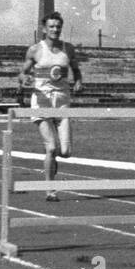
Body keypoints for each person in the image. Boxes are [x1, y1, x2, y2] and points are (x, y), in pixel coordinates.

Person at [19, 11, 83, 201]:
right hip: (41, 101)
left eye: (58, 26)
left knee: (65, 152)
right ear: (44, 29)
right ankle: (50, 189)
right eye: (52, 27)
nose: (55, 30)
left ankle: (53, 161)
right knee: (50, 147)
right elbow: (22, 72)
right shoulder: (35, 50)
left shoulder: (68, 49)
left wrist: (78, 81)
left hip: (62, 102)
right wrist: (25, 79)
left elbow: (76, 70)